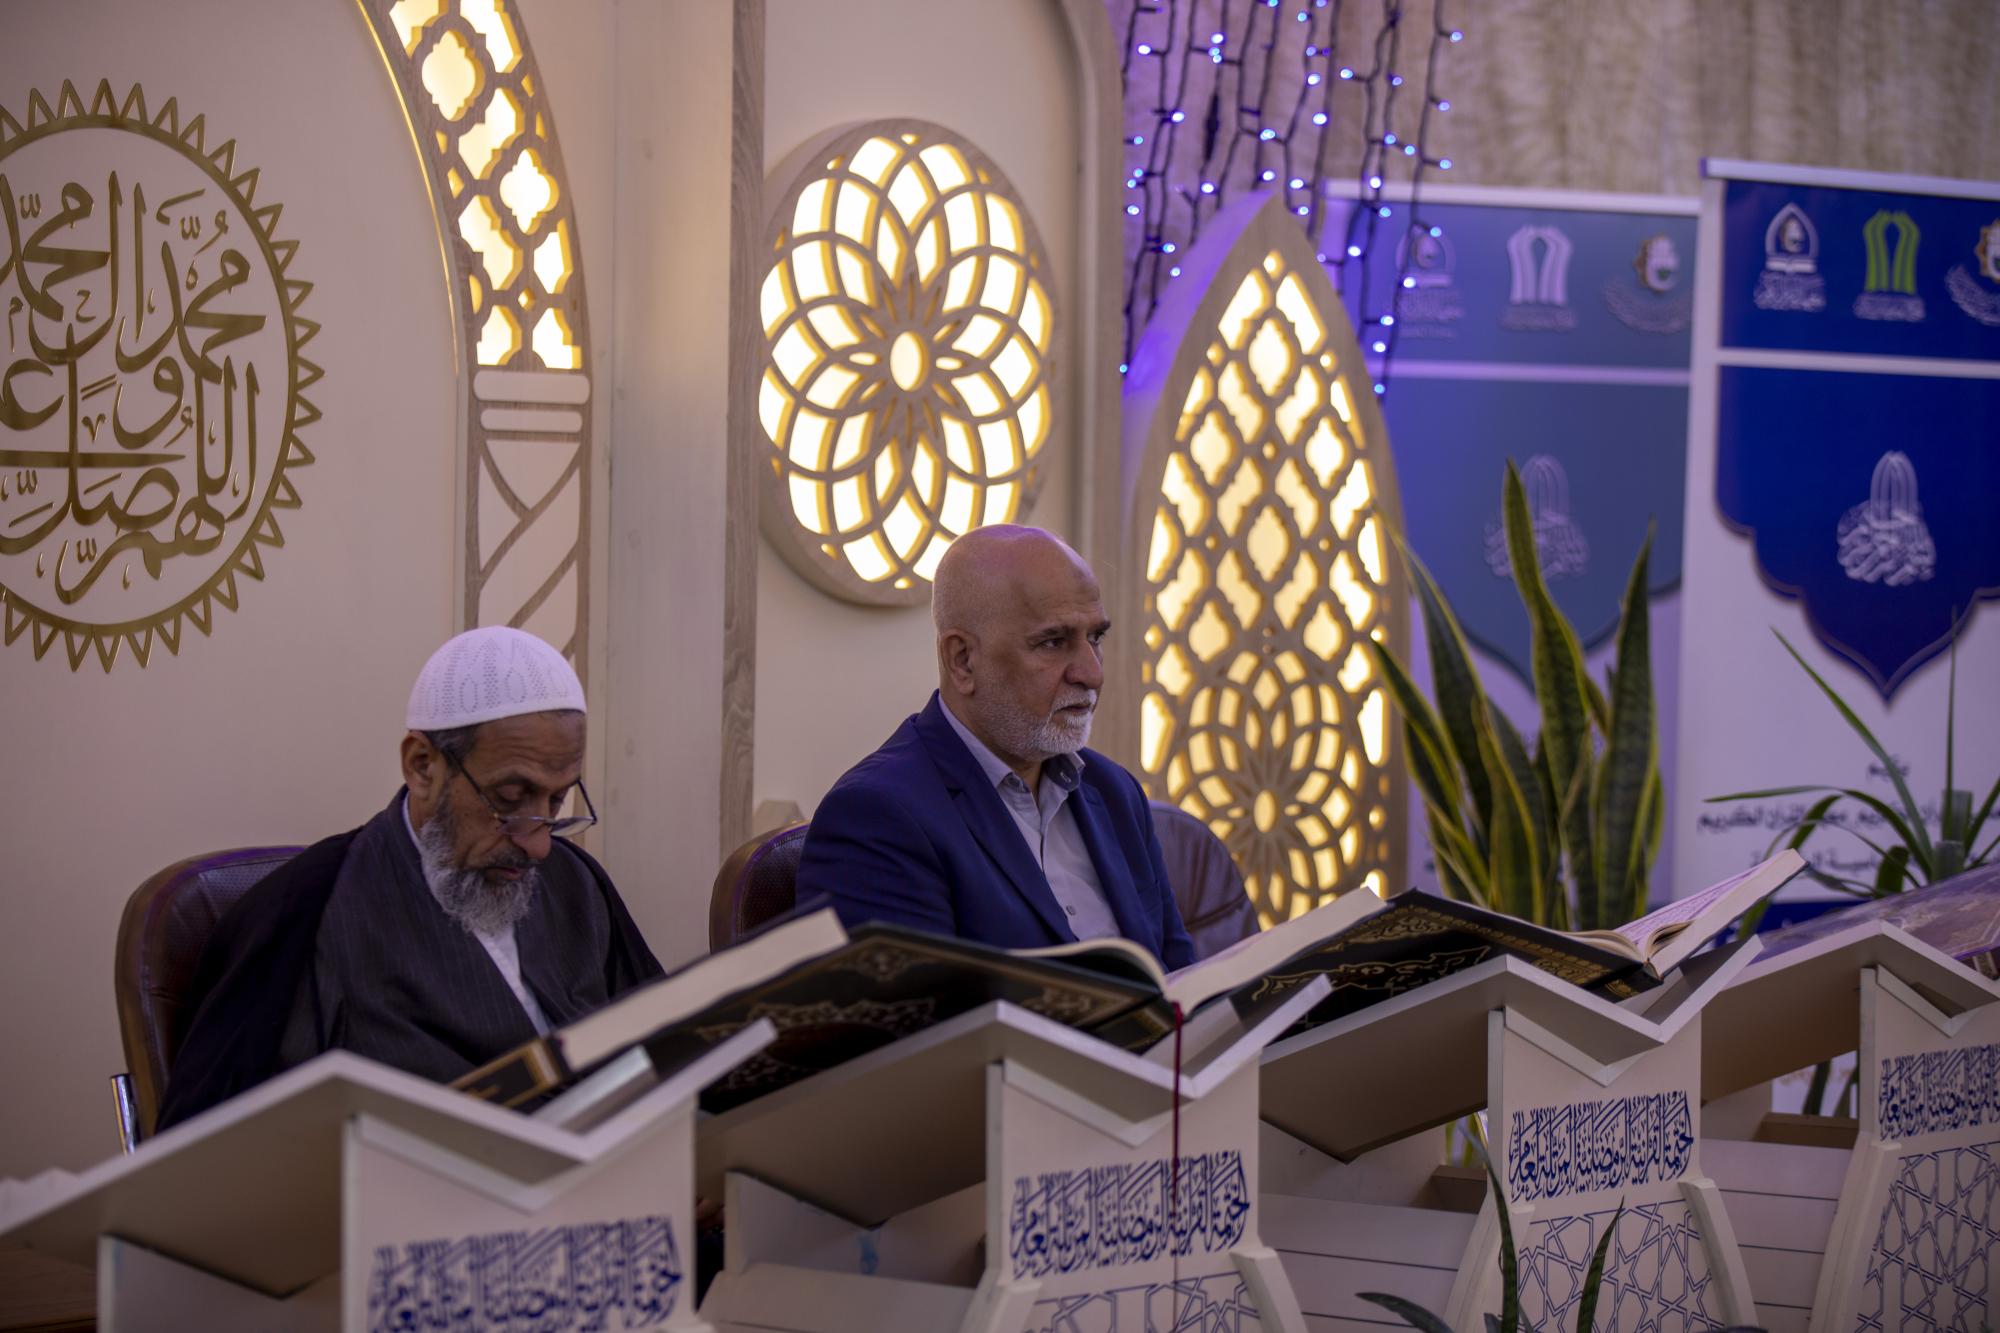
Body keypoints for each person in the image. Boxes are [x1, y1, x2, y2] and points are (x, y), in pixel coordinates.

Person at [157, 627, 662, 1130]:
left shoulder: (574, 884)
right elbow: (222, 1153)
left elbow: (666, 1054)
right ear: (422, 767)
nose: (539, 845)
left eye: (556, 801)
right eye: (510, 800)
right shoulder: (309, 916)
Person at [796, 525, 1195, 969]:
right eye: (1053, 642)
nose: (1091, 673)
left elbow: (1181, 978)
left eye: (1095, 638)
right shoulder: (877, 815)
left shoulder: (1114, 790)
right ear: (962, 660)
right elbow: (910, 1014)